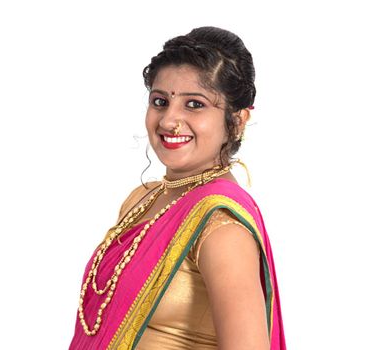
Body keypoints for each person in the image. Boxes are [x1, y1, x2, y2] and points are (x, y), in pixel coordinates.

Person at [69, 26, 286, 350]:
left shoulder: (221, 227)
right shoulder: (142, 199)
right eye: (160, 101)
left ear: (237, 120)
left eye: (194, 105)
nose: (169, 120)